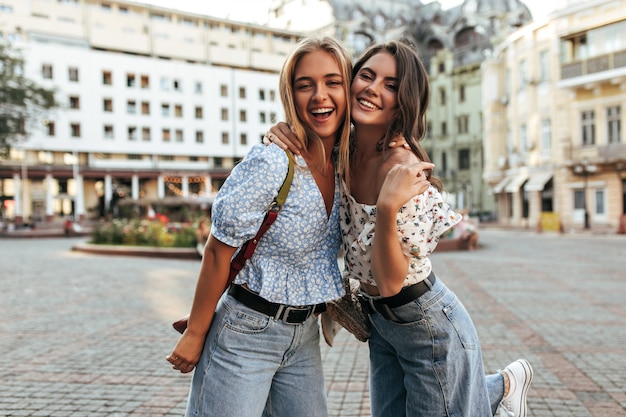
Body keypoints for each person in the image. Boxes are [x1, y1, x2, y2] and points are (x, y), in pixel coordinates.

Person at [266, 39, 533, 417]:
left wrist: (388, 208)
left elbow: (391, 283)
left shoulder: (402, 168)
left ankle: (501, 388)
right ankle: (490, 389)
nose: (373, 89)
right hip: (382, 327)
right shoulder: (346, 147)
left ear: (403, 102)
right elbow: (309, 132)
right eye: (367, 75)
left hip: (428, 328)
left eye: (390, 85)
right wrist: (282, 130)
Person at [166, 36, 357, 417]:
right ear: (291, 94)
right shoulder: (272, 161)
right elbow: (219, 252)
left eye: (333, 82)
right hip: (244, 334)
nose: (320, 95)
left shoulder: (345, 162)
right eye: (306, 85)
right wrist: (195, 333)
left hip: (303, 338)